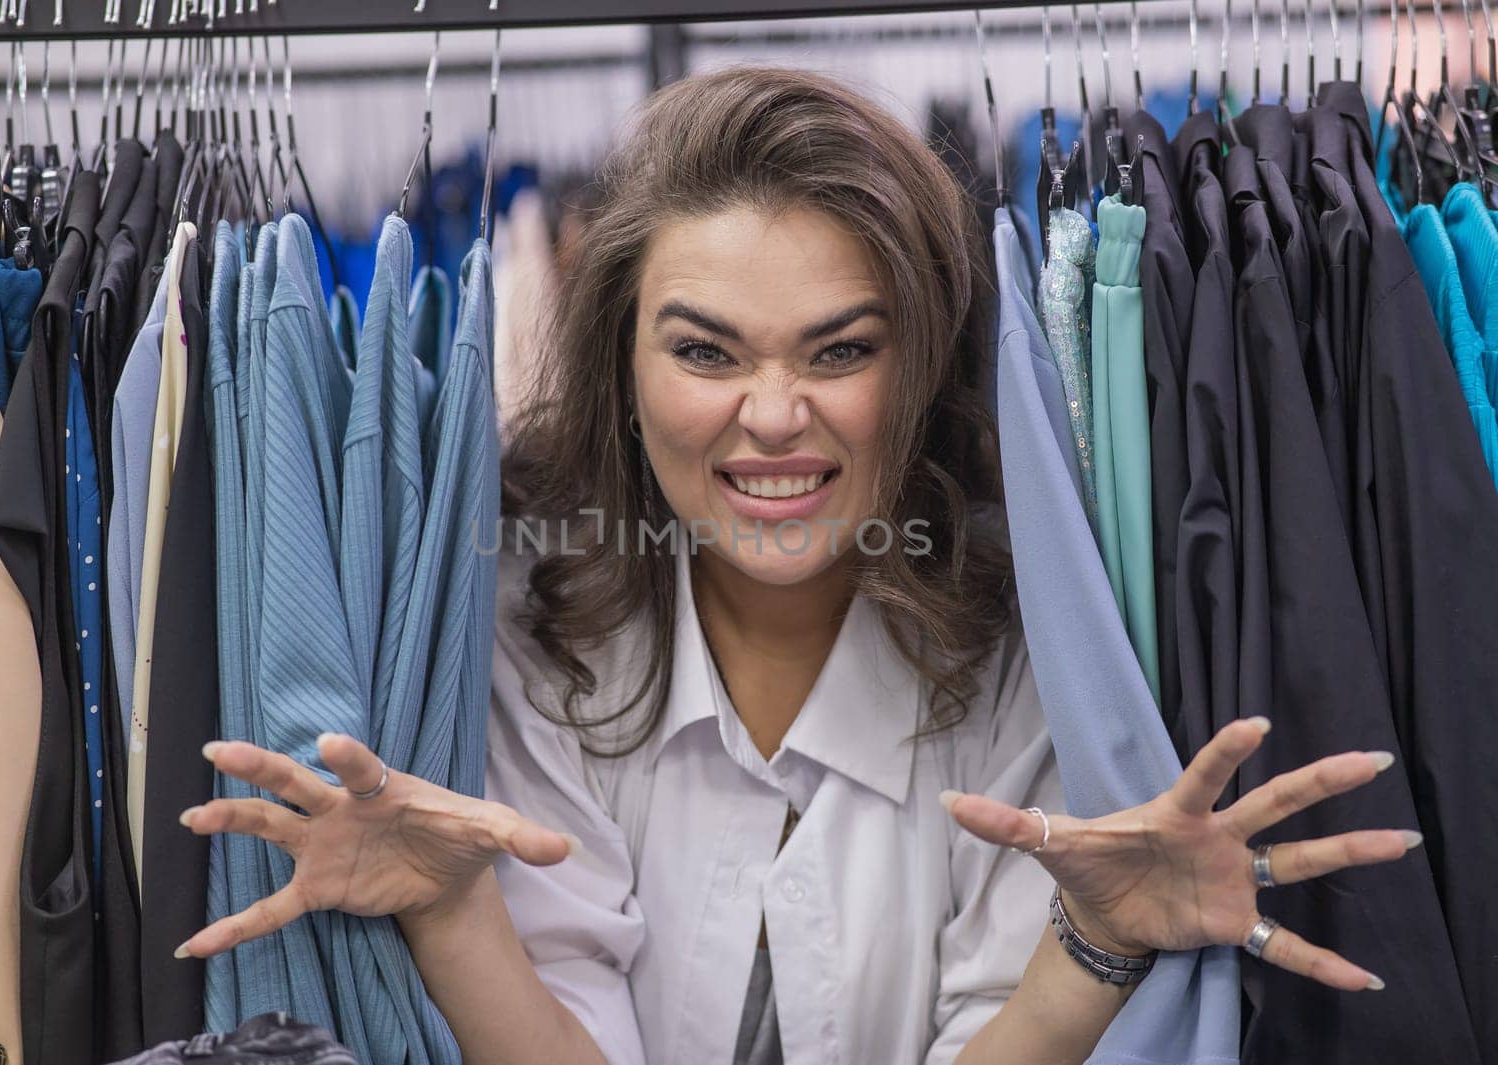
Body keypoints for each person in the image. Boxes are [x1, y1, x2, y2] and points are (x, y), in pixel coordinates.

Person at [174, 67, 1419, 1065]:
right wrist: (451, 914)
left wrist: (1090, 941)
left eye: (838, 352)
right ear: (622, 371)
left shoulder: (1031, 642)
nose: (772, 418)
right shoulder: (517, 629)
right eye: (707, 355)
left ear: (922, 366)